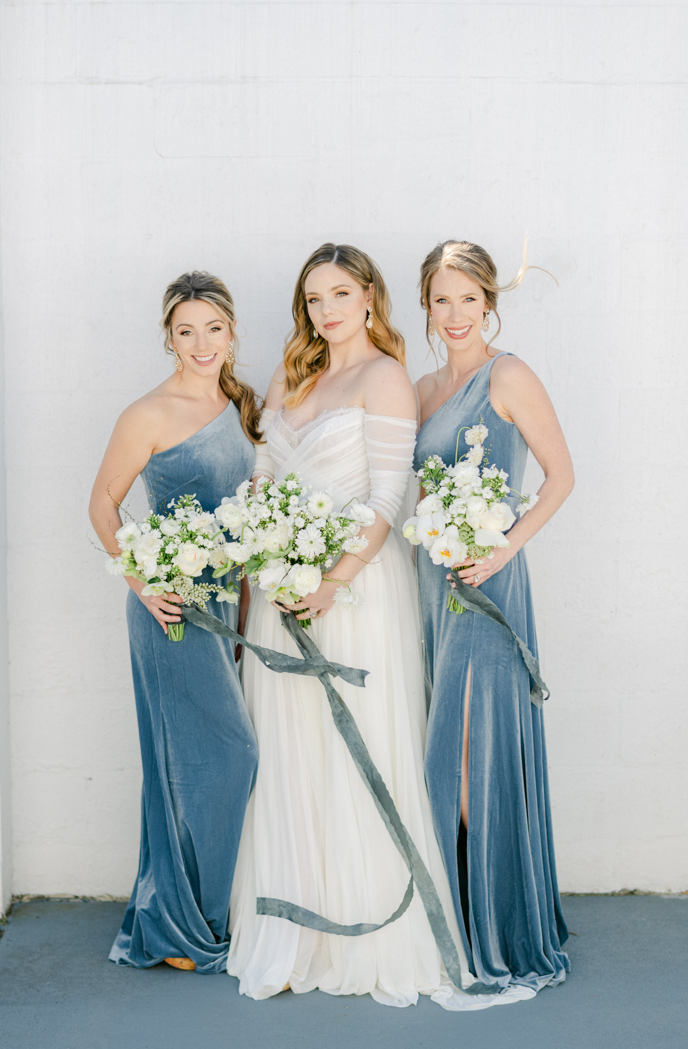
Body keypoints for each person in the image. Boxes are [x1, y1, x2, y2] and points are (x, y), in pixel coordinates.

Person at [226, 243, 531, 1010]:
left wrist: (330, 581)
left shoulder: (388, 377)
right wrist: (268, 557)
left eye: (339, 294)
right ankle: (299, 931)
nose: (325, 311)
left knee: (352, 747)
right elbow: (261, 480)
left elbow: (390, 499)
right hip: (279, 592)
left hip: (355, 595)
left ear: (370, 297)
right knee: (290, 752)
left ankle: (369, 928)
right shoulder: (289, 376)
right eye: (313, 298)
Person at [415, 240, 574, 995]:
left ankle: (500, 928)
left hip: (487, 583)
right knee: (444, 749)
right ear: (425, 305)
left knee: (476, 757)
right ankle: (465, 911)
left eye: (467, 300)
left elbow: (560, 476)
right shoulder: (419, 388)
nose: (455, 315)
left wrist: (503, 549)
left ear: (489, 304)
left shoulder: (508, 375)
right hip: (431, 584)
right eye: (441, 300)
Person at [89, 271, 259, 973]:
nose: (200, 343)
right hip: (171, 609)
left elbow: (247, 515)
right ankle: (186, 927)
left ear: (230, 332)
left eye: (212, 329)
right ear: (169, 336)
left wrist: (248, 611)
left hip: (226, 604)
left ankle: (192, 914)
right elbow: (103, 504)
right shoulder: (147, 414)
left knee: (206, 758)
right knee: (220, 757)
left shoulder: (241, 404)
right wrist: (142, 582)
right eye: (185, 331)